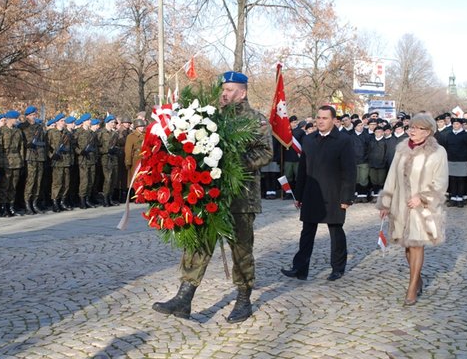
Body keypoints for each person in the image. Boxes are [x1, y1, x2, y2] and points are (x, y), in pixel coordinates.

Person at [152, 70, 273, 323]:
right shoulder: (210, 117)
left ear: (243, 92)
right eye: (222, 90)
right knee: (198, 243)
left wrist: (232, 164)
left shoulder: (256, 121)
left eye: (229, 90)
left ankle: (243, 299)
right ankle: (184, 297)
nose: (224, 94)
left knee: (241, 248)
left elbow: (265, 153)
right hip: (209, 195)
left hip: (242, 197)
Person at [377, 113, 448, 306]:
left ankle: (411, 288)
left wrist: (422, 197)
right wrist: (385, 202)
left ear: (428, 131)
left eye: (418, 128)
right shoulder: (401, 149)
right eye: (411, 127)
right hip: (400, 205)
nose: (412, 131)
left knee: (417, 244)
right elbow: (391, 176)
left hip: (422, 208)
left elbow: (441, 181)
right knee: (407, 246)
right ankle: (418, 278)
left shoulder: (438, 152)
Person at [281, 105, 356, 281]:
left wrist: (347, 198)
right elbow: (303, 170)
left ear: (333, 120)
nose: (320, 121)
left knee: (336, 231)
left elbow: (350, 171)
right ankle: (300, 268)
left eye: (325, 118)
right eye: (319, 118)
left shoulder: (344, 140)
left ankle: (338, 268)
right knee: (307, 231)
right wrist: (298, 195)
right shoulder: (309, 139)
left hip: (334, 194)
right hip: (311, 193)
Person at [0, 110, 25, 217]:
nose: (17, 121)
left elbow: (21, 147)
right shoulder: (0, 131)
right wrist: (0, 165)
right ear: (9, 119)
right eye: (15, 119)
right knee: (5, 186)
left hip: (16, 161)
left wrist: (22, 162)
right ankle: (3, 207)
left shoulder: (18, 131)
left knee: (13, 185)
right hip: (5, 161)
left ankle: (11, 206)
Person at [19, 105, 47, 214]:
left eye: (34, 115)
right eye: (31, 115)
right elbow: (21, 143)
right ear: (26, 116)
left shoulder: (39, 127)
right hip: (30, 157)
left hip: (39, 156)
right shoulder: (22, 127)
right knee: (30, 181)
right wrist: (27, 145)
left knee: (38, 181)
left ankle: (35, 203)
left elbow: (44, 142)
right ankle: (27, 203)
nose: (33, 117)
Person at [47, 114, 73, 212]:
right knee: (57, 183)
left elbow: (70, 148)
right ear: (57, 122)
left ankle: (62, 201)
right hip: (57, 161)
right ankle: (55, 202)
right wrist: (51, 155)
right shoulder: (51, 132)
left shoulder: (67, 133)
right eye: (62, 121)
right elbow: (47, 146)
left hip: (66, 160)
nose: (63, 122)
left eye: (64, 121)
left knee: (66, 183)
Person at [74, 113, 98, 209]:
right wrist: (80, 151)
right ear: (84, 121)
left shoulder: (92, 133)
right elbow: (73, 145)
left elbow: (95, 146)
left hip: (91, 159)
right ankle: (82, 200)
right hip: (83, 160)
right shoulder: (78, 132)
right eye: (88, 120)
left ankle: (87, 199)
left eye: (90, 120)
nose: (90, 122)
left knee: (91, 180)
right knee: (84, 181)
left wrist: (95, 157)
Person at [98, 115, 120, 207]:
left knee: (114, 179)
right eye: (112, 122)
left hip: (114, 158)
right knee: (108, 178)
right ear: (107, 122)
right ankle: (105, 198)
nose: (113, 124)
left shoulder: (115, 134)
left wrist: (116, 149)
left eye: (114, 123)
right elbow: (97, 147)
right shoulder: (101, 133)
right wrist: (106, 151)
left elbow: (118, 145)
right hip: (105, 158)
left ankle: (110, 197)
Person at [123, 118, 147, 193]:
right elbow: (128, 150)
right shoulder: (131, 136)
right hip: (135, 159)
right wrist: (128, 161)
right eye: (140, 126)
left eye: (143, 126)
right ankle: (136, 194)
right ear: (136, 127)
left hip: (145, 158)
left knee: (144, 177)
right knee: (135, 177)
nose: (142, 128)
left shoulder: (145, 135)